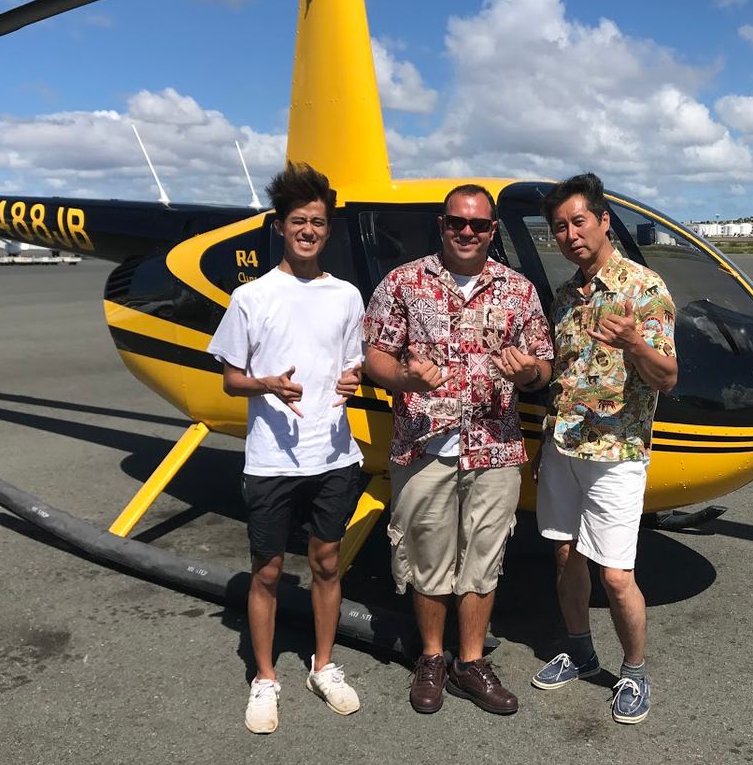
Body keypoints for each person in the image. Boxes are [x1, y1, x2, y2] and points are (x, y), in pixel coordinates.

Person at [363, 184, 553, 716]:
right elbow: (375, 354)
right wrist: (403, 377)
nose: (467, 232)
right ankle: (431, 657)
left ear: (492, 230)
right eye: (457, 222)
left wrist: (530, 373)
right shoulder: (403, 282)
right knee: (428, 555)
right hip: (424, 445)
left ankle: (469, 663)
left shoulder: (518, 290)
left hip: (495, 447)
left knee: (483, 557)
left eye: (478, 224)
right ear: (441, 225)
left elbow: (543, 363)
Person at [208, 162, 365, 735]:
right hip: (272, 458)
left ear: (328, 230)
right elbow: (231, 379)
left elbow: (353, 365)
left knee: (326, 563)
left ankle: (323, 667)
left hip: (333, 454)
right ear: (280, 226)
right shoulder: (251, 296)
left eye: (317, 222)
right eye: (298, 220)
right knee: (268, 570)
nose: (308, 230)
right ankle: (265, 677)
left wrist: (353, 380)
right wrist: (267, 384)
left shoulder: (346, 295)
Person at [530, 172, 678, 725]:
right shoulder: (566, 296)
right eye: (559, 227)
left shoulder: (644, 288)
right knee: (565, 556)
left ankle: (634, 671)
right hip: (563, 447)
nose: (570, 235)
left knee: (616, 576)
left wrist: (635, 342)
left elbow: (666, 378)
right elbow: (560, 374)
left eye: (579, 222)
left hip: (616, 454)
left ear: (603, 221)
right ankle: (580, 651)